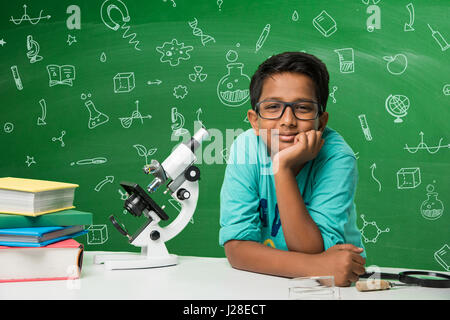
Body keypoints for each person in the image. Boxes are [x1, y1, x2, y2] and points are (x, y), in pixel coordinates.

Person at [219, 52, 366, 287]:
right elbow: (236, 249)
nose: (288, 120)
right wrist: (319, 267)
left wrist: (282, 168)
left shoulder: (337, 157)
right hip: (264, 281)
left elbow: (311, 249)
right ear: (254, 121)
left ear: (322, 120)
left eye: (303, 108)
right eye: (273, 106)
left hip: (334, 288)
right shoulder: (246, 148)